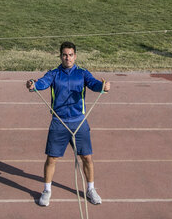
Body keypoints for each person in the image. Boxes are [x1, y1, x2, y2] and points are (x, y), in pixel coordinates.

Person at [26, 42, 110, 207]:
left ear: (75, 56)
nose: (68, 58)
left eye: (71, 55)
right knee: (52, 158)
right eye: (65, 55)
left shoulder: (83, 73)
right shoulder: (54, 74)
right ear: (60, 56)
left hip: (79, 122)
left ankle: (91, 189)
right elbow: (42, 83)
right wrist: (33, 84)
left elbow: (94, 84)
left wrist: (103, 86)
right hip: (59, 122)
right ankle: (47, 190)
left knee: (87, 157)